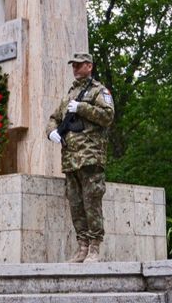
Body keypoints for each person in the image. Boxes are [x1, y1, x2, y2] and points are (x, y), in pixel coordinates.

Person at [46, 52, 114, 263]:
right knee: (75, 203)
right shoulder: (69, 94)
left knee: (91, 201)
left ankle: (94, 247)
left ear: (89, 66)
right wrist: (52, 132)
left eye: (78, 65)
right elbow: (54, 118)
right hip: (70, 159)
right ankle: (82, 247)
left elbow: (108, 115)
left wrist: (82, 107)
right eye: (73, 66)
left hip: (90, 157)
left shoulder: (98, 91)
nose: (75, 69)